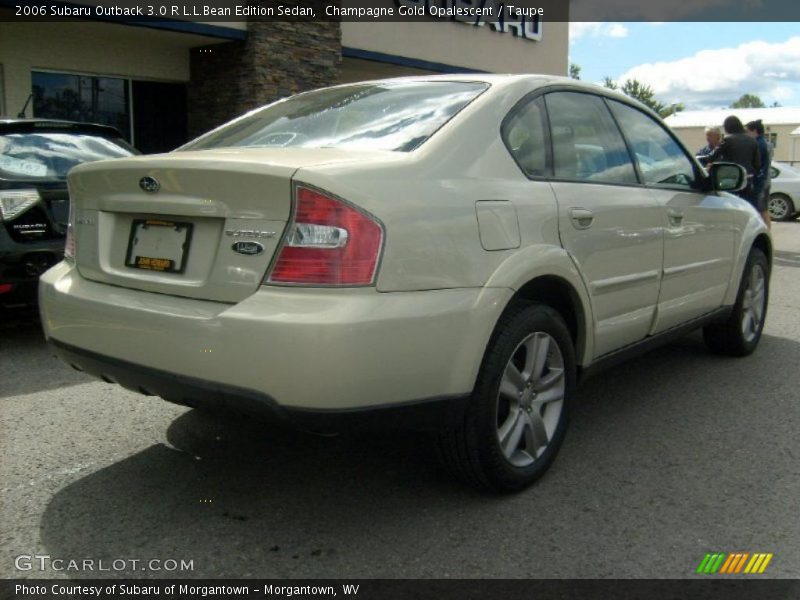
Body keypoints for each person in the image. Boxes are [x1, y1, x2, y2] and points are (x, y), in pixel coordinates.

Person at [699, 116, 760, 207]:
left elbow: (711, 157)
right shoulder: (752, 140)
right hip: (748, 180)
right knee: (747, 208)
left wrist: (695, 158)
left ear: (728, 127)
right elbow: (757, 164)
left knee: (731, 207)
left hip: (731, 181)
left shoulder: (728, 139)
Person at [746, 119, 772, 228]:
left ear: (754, 131)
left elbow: (757, 165)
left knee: (761, 210)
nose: (747, 134)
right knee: (763, 210)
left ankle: (765, 234)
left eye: (748, 131)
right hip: (765, 180)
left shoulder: (758, 144)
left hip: (760, 181)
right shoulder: (766, 143)